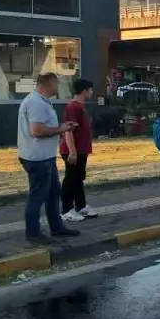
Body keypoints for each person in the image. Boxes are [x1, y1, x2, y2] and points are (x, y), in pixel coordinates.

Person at [17, 73, 80, 242]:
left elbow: (44, 128)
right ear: (49, 84)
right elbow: (37, 131)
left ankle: (57, 227)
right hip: (38, 158)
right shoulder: (36, 103)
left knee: (53, 193)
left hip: (45, 157)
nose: (58, 87)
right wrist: (61, 129)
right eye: (56, 84)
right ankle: (33, 233)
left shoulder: (41, 101)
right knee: (37, 196)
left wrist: (62, 128)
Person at [59, 79, 97, 223]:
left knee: (78, 179)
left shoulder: (80, 107)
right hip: (73, 151)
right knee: (71, 180)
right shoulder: (73, 107)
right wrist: (72, 151)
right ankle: (66, 210)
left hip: (81, 150)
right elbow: (68, 131)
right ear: (84, 91)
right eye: (90, 90)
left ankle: (80, 206)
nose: (92, 93)